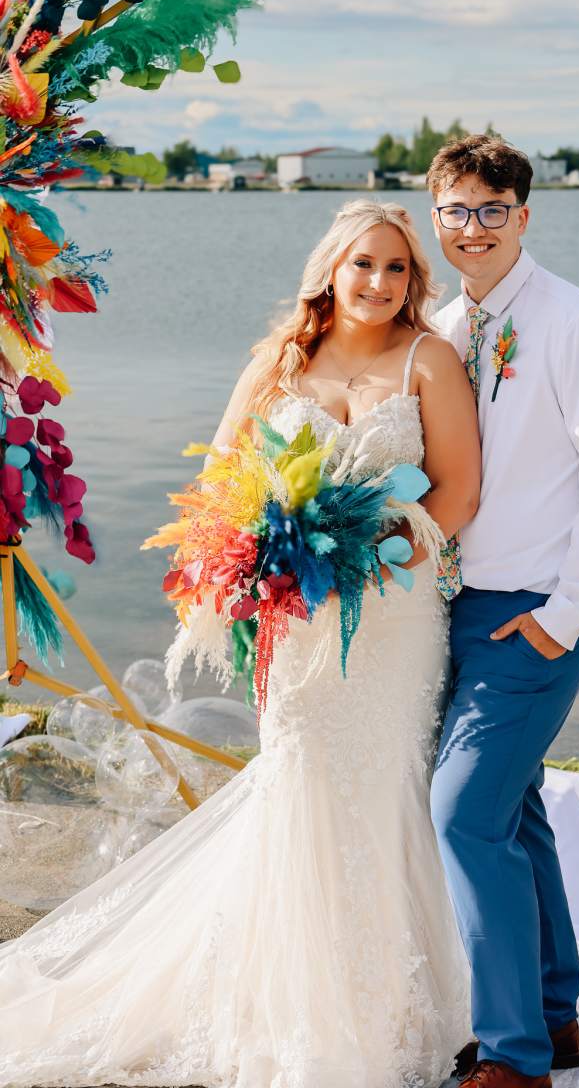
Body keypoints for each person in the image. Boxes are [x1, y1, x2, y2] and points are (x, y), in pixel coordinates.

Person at [0, 200, 481, 1088]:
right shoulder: (279, 363)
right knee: (302, 788)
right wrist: (254, 558)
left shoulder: (430, 360)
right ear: (330, 271)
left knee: (388, 789)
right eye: (363, 265)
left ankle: (402, 1003)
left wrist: (378, 553)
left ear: (416, 282)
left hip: (397, 619)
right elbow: (221, 482)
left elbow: (457, 495)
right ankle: (290, 1006)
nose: (379, 283)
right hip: (298, 625)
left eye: (398, 269)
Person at [428, 135, 579, 1088]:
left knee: (465, 815)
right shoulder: (442, 324)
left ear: (524, 215)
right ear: (435, 217)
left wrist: (567, 614)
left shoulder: (576, 323)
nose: (471, 230)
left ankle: (512, 1058)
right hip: (458, 609)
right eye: (454, 212)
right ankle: (553, 1018)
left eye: (490, 210)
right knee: (515, 812)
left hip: (539, 613)